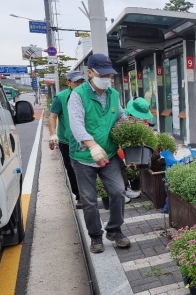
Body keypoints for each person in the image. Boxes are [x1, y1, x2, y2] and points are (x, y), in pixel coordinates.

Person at [67, 53, 131, 254]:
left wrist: (128, 128)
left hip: (109, 153)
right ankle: (95, 236)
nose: (106, 79)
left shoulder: (113, 94)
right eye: (102, 75)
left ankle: (114, 230)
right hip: (84, 156)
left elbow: (119, 116)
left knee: (118, 191)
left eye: (109, 75)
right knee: (88, 199)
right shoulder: (78, 95)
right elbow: (76, 125)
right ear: (90, 73)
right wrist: (92, 145)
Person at [48, 70, 85, 209]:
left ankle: (89, 193)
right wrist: (53, 134)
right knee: (72, 169)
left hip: (86, 139)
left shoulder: (88, 94)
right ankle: (80, 196)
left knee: (88, 167)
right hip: (67, 141)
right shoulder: (61, 97)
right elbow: (52, 116)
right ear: (68, 83)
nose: (80, 85)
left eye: (82, 82)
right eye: (77, 82)